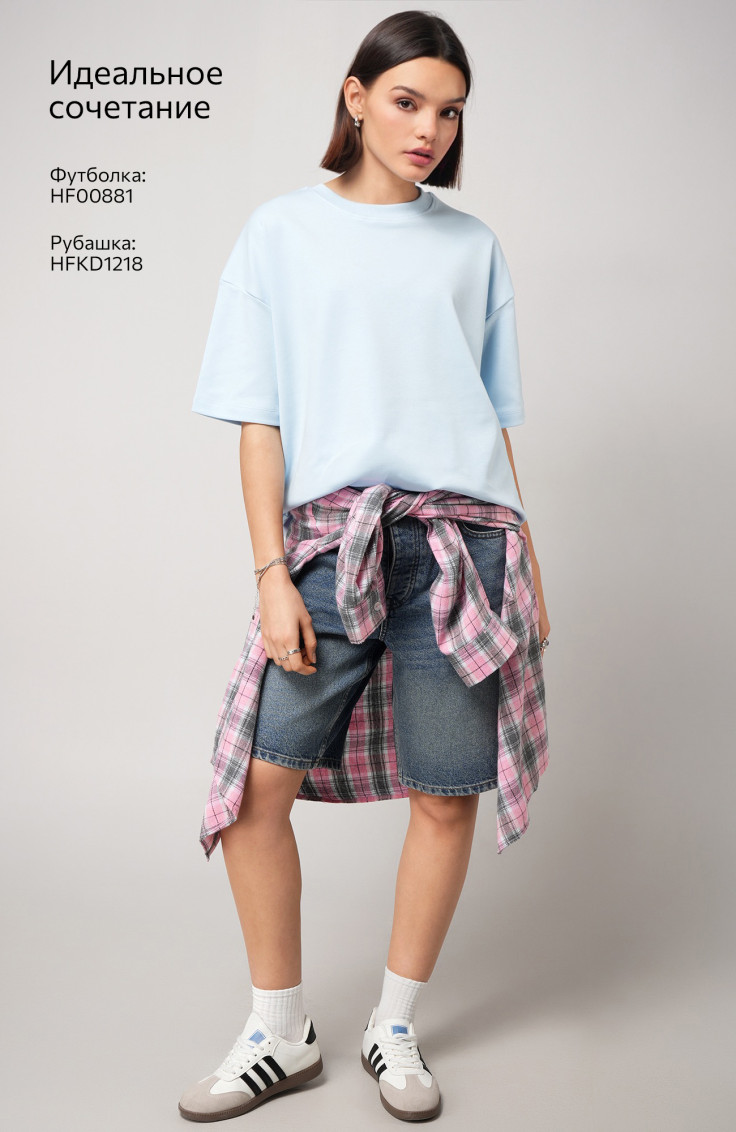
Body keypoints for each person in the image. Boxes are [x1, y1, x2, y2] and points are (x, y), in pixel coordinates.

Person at [179, 9, 550, 1124]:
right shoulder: (280, 233)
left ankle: (395, 1025)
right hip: (329, 547)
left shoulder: (472, 248)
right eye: (407, 101)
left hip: (461, 550)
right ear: (355, 97)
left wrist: (530, 561)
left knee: (445, 795)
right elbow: (257, 421)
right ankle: (280, 1030)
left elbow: (488, 425)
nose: (429, 128)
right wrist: (269, 572)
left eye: (449, 112)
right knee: (257, 792)